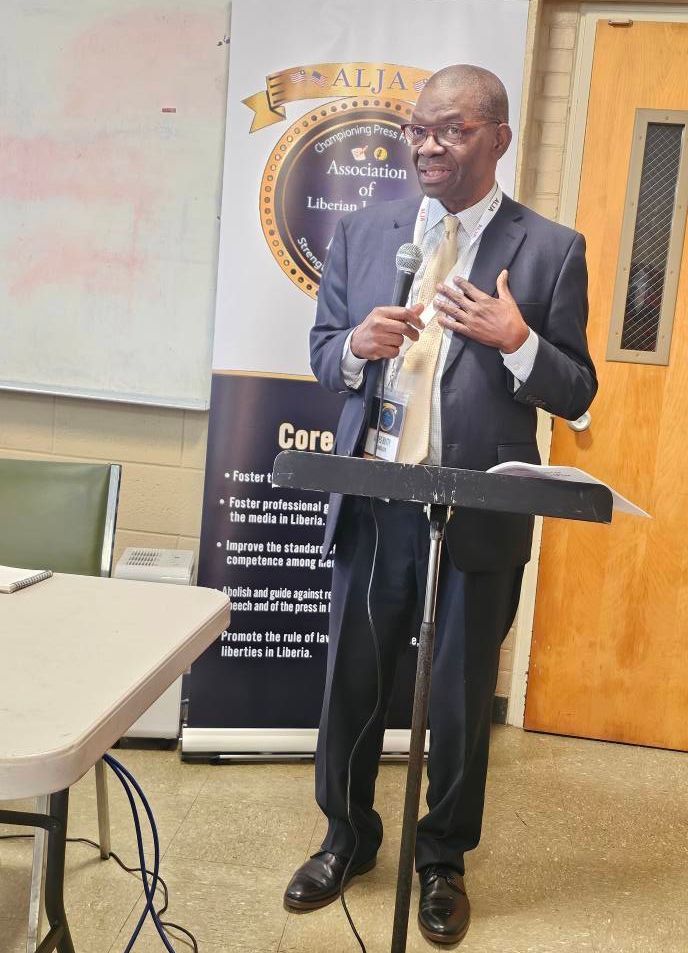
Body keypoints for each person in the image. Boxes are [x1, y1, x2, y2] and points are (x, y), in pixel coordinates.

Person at [283, 64, 596, 946]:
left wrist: (519, 341)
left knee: (458, 701)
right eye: (419, 129)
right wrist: (355, 346)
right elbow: (320, 354)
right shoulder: (365, 230)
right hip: (378, 496)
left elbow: (578, 393)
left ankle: (443, 860)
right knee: (353, 682)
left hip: (478, 510)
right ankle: (347, 835)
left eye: (451, 130)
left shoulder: (550, 249)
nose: (426, 144)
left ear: (497, 137)